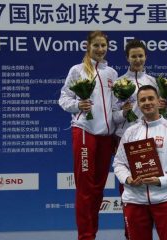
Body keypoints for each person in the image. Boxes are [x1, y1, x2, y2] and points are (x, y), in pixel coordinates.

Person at [58, 31, 118, 240]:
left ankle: (92, 233)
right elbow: (64, 98)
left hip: (106, 136)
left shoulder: (111, 73)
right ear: (88, 46)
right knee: (85, 188)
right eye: (96, 45)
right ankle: (85, 236)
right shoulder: (77, 70)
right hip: (85, 131)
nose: (100, 49)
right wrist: (77, 105)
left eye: (103, 46)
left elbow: (114, 106)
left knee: (98, 188)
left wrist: (123, 110)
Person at [113, 85, 167, 240]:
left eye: (151, 98)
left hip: (165, 198)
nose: (147, 102)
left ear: (158, 101)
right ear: (138, 104)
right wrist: (127, 179)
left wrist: (161, 181)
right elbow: (119, 163)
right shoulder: (131, 132)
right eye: (142, 100)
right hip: (134, 199)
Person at [113, 39, 158, 240]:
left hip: (150, 141)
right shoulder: (119, 83)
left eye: (141, 55)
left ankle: (149, 231)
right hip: (125, 139)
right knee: (128, 186)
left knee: (150, 186)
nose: (138, 59)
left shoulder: (153, 82)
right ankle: (130, 232)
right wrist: (124, 113)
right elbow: (113, 117)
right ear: (127, 58)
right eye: (134, 56)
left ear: (145, 57)